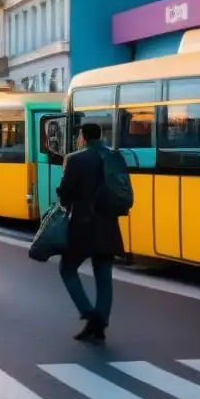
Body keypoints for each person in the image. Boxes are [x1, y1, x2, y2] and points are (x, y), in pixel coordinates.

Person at [56, 122, 124, 342]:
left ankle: (88, 312)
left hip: (84, 227)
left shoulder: (76, 159)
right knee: (104, 275)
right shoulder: (114, 156)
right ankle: (100, 323)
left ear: (83, 137)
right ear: (101, 136)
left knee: (67, 268)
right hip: (109, 225)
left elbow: (66, 196)